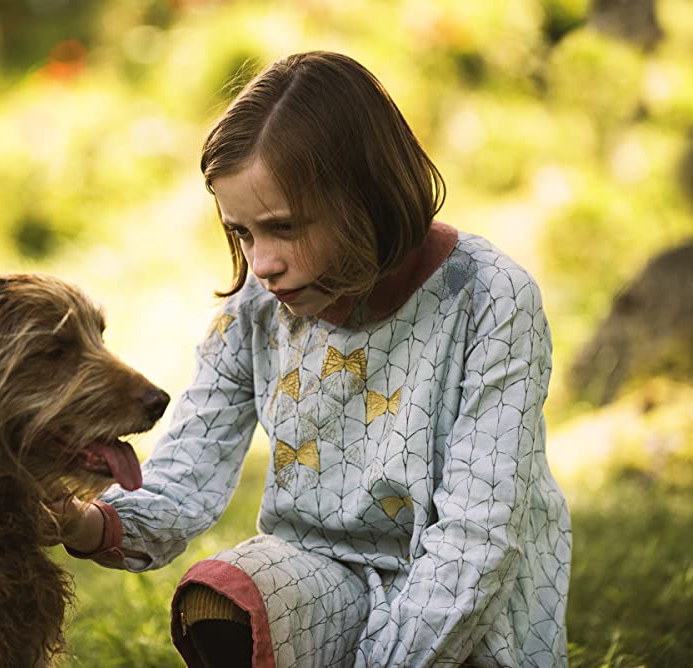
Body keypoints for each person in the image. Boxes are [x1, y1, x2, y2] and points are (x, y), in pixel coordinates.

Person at [59, 51, 571, 668]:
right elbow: (187, 468)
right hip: (323, 576)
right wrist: (83, 523)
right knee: (219, 599)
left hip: (462, 597)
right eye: (243, 233)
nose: (262, 262)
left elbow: (477, 535)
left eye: (284, 227)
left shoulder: (489, 297)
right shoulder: (258, 306)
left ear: (366, 196)